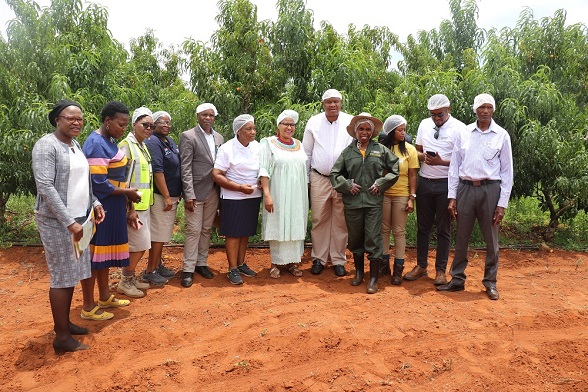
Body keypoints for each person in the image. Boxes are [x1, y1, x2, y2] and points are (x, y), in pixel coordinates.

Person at [32, 100, 107, 354]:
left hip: (80, 219)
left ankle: (64, 324)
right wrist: (69, 222)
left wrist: (94, 202)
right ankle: (62, 337)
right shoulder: (47, 145)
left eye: (80, 119)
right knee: (62, 277)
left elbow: (82, 181)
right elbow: (45, 186)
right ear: (57, 120)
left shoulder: (74, 145)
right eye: (70, 118)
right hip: (58, 222)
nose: (77, 122)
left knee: (71, 274)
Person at [438, 93, 513, 300]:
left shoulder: (501, 135)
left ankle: (490, 282)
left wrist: (502, 204)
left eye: (489, 107)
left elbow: (507, 172)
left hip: (491, 190)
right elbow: (454, 167)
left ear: (494, 110)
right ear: (475, 110)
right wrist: (452, 197)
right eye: (481, 107)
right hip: (465, 189)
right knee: (461, 236)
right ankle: (457, 279)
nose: (485, 111)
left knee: (491, 239)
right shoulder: (464, 133)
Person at [82, 101, 142, 316]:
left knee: (104, 255)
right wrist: (128, 193)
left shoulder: (108, 140)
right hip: (102, 206)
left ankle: (105, 296)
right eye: (121, 124)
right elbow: (98, 183)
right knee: (94, 255)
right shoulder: (96, 143)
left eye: (126, 125)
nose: (123, 129)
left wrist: (126, 199)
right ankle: (88, 306)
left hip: (114, 203)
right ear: (107, 121)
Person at [330, 113, 399, 294]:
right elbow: (335, 174)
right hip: (352, 203)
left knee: (373, 238)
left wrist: (381, 183)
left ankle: (373, 278)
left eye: (368, 129)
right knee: (355, 238)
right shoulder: (348, 152)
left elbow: (394, 169)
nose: (365, 132)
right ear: (355, 131)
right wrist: (347, 185)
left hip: (373, 202)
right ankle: (359, 273)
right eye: (361, 129)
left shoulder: (380, 150)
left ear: (373, 132)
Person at [404, 94, 466, 285]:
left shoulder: (460, 128)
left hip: (446, 183)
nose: (436, 118)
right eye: (433, 115)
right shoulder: (424, 124)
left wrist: (441, 161)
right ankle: (421, 265)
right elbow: (417, 150)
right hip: (425, 181)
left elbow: (463, 160)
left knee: (443, 229)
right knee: (423, 227)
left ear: (449, 109)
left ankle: (441, 270)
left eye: (440, 114)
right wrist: (423, 157)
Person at [302, 89, 353, 276]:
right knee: (319, 218)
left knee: (341, 220)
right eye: (329, 102)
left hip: (343, 179)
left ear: (341, 103)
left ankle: (338, 259)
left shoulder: (350, 121)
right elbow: (306, 152)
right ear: (323, 104)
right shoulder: (314, 122)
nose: (333, 105)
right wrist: (306, 179)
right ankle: (319, 258)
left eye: (336, 101)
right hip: (319, 177)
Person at [116, 107, 162, 298]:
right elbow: (122, 181)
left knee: (141, 244)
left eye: (152, 126)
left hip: (144, 205)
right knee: (139, 244)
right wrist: (130, 208)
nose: (149, 128)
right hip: (133, 207)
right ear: (134, 124)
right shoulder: (126, 146)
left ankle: (130, 276)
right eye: (145, 124)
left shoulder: (142, 146)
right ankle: (125, 280)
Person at [212, 114, 262, 285]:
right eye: (248, 129)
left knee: (245, 231)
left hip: (253, 195)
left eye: (254, 128)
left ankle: (241, 263)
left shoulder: (257, 147)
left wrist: (262, 183)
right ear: (238, 131)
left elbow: (263, 169)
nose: (253, 132)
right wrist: (239, 188)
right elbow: (217, 175)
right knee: (233, 233)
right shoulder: (227, 148)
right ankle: (232, 268)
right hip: (233, 197)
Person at [259, 110, 309, 278]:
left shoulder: (299, 144)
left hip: (297, 194)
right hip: (278, 192)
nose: (289, 127)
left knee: (295, 223)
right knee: (278, 223)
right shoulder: (268, 143)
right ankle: (276, 263)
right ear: (278, 126)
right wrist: (267, 194)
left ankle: (294, 263)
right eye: (285, 124)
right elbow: (264, 169)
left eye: (292, 124)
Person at [179, 103, 224, 288]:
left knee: (206, 229)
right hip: (196, 191)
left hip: (214, 189)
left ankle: (201, 263)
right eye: (204, 114)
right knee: (194, 230)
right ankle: (188, 269)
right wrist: (188, 194)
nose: (208, 118)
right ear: (197, 116)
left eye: (211, 115)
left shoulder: (219, 137)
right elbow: (185, 167)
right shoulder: (188, 136)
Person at [379, 115, 419, 285]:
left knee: (399, 231)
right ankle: (384, 265)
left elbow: (412, 174)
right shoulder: (381, 148)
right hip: (384, 194)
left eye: (404, 130)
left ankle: (398, 268)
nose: (403, 133)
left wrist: (412, 198)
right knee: (384, 230)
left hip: (402, 194)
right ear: (391, 131)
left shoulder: (409, 150)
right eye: (400, 130)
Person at [144, 110, 180, 280]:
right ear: (154, 124)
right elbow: (158, 171)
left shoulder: (169, 141)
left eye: (168, 122)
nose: (166, 125)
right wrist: (166, 196)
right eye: (162, 122)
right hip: (161, 196)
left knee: (163, 234)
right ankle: (150, 270)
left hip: (172, 194)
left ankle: (158, 265)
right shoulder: (153, 141)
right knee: (158, 234)